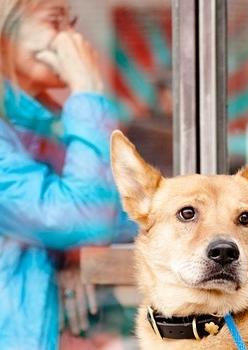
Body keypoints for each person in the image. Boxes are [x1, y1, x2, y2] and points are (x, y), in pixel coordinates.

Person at [0, 0, 135, 349]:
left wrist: (72, 248)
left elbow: (118, 215)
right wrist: (88, 91)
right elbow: (80, 215)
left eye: (71, 22)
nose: (72, 37)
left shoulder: (43, 124)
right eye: (55, 21)